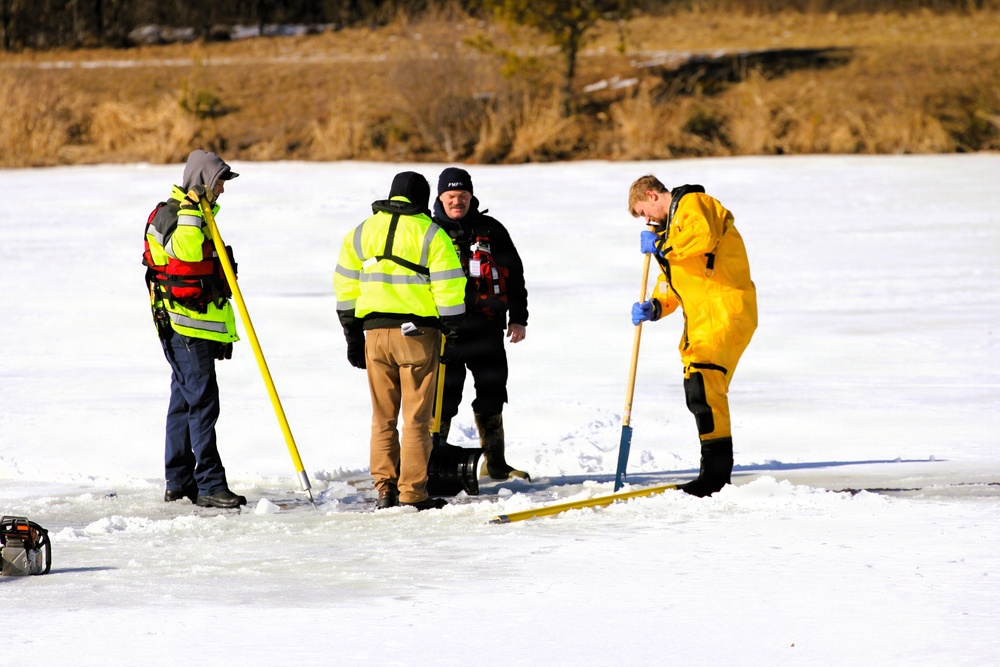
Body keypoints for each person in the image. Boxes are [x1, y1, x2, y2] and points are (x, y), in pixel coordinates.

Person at [334, 171, 467, 510]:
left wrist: (352, 336)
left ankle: (384, 489)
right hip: (419, 337)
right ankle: (412, 493)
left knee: (383, 417)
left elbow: (345, 288)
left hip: (374, 336)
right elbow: (449, 288)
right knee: (417, 420)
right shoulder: (431, 234)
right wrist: (453, 332)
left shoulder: (360, 233)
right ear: (424, 199)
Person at [627, 175, 757, 497]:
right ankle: (712, 473)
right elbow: (675, 281)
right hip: (701, 319)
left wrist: (662, 245)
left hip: (725, 308)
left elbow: (703, 236)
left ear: (651, 194)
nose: (647, 220)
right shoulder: (672, 232)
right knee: (699, 388)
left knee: (703, 380)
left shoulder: (692, 204)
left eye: (643, 211)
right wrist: (656, 305)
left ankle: (714, 477)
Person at [143, 149, 247, 508]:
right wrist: (193, 208)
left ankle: (180, 481)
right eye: (218, 183)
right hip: (182, 328)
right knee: (202, 402)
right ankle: (210, 485)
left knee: (184, 402)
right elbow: (186, 254)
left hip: (195, 327)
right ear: (202, 181)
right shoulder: (174, 215)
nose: (222, 191)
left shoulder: (196, 216)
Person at [431, 167, 530, 481]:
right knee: (443, 398)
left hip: (487, 329)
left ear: (471, 196)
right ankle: (432, 461)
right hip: (446, 332)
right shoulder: (428, 230)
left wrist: (519, 318)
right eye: (451, 196)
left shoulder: (491, 229)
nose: (457, 202)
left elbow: (514, 273)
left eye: (462, 195)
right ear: (440, 197)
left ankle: (496, 464)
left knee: (492, 393)